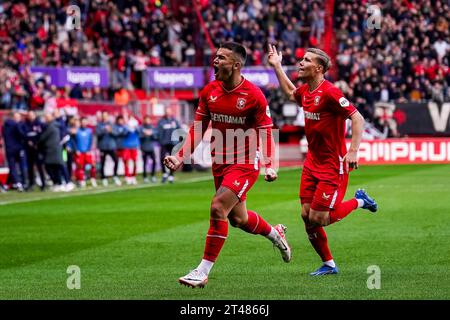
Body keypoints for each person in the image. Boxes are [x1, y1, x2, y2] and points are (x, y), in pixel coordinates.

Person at [164, 42, 292, 288]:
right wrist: (180, 156)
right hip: (220, 163)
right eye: (215, 56)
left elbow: (265, 131)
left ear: (236, 65)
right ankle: (277, 235)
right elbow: (198, 129)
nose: (215, 61)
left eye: (221, 58)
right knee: (238, 219)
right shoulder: (209, 91)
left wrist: (268, 163)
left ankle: (202, 271)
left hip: (245, 163)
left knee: (217, 207)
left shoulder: (253, 95)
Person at [268, 45, 378, 276]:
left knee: (321, 218)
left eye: (306, 60)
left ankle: (360, 201)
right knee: (306, 215)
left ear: (318, 68)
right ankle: (329, 264)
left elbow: (357, 118)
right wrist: (277, 66)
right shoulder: (307, 91)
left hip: (332, 165)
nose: (301, 62)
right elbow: (290, 93)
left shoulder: (330, 93)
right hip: (312, 163)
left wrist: (354, 150)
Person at [38, 113, 65, 192]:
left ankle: (58, 183)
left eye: (46, 117)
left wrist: (37, 142)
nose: (45, 119)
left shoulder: (51, 127)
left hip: (52, 150)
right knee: (55, 167)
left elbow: (42, 137)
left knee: (50, 167)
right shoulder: (55, 126)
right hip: (53, 150)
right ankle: (58, 183)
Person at [2, 111, 27, 191]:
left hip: (9, 149)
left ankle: (9, 184)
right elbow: (22, 134)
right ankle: (21, 183)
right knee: (21, 166)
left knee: (12, 167)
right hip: (18, 148)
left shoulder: (4, 126)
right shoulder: (16, 125)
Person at [23, 111, 46, 191]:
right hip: (29, 149)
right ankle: (31, 184)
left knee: (39, 166)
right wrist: (28, 141)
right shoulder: (25, 124)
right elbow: (24, 134)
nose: (30, 116)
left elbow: (42, 135)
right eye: (29, 115)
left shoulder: (39, 123)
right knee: (30, 167)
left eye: (32, 115)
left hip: (38, 149)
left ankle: (43, 183)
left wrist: (37, 143)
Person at [96, 111, 121, 186]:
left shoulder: (112, 124)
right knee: (102, 163)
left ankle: (115, 176)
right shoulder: (99, 125)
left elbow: (116, 134)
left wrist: (111, 131)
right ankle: (103, 178)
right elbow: (97, 134)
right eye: (103, 115)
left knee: (116, 160)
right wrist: (104, 130)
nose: (104, 117)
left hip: (111, 146)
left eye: (106, 115)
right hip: (103, 147)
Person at [157, 108, 181, 184]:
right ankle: (164, 173)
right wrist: (160, 140)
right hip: (164, 143)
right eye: (167, 112)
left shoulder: (175, 121)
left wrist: (179, 140)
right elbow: (159, 132)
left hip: (173, 143)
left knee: (172, 159)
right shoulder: (161, 121)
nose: (168, 113)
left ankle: (171, 175)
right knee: (162, 158)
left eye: (169, 112)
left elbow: (179, 130)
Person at [74, 117, 97, 188]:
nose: (84, 123)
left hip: (87, 152)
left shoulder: (89, 131)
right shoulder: (77, 131)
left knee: (92, 165)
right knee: (80, 167)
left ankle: (93, 179)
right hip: (79, 152)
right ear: (80, 123)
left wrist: (89, 150)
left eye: (85, 122)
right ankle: (81, 180)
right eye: (82, 122)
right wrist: (76, 149)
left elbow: (91, 141)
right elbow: (74, 141)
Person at [139, 115, 158, 183]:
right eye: (146, 120)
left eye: (148, 120)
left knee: (154, 161)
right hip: (144, 148)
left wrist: (151, 134)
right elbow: (139, 137)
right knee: (144, 163)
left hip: (151, 148)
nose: (147, 121)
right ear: (144, 120)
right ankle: (145, 177)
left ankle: (153, 175)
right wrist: (144, 134)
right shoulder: (141, 128)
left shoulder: (152, 128)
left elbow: (156, 137)